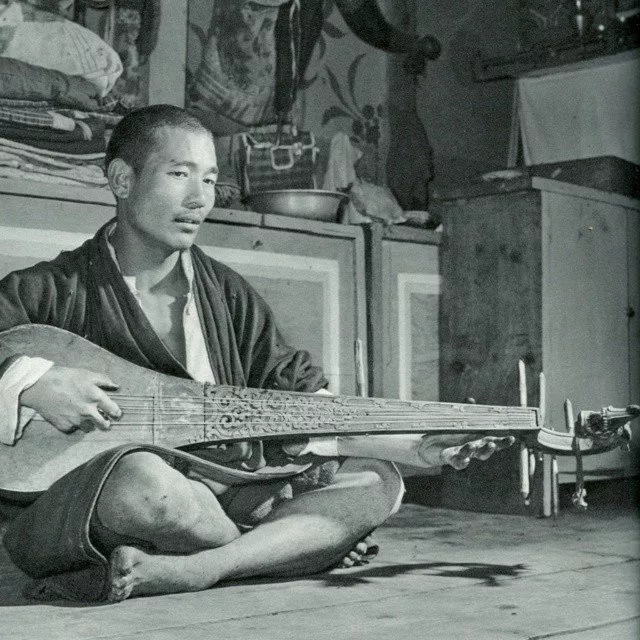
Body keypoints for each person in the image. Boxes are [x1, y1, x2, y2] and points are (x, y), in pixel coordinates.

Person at [0, 105, 512, 603]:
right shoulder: (50, 289)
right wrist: (30, 382)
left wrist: (413, 447)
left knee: (376, 479)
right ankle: (287, 547)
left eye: (209, 180)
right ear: (122, 179)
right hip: (124, 500)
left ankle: (204, 566)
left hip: (230, 486)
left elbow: (300, 399)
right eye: (179, 174)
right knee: (147, 485)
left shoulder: (226, 294)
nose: (199, 198)